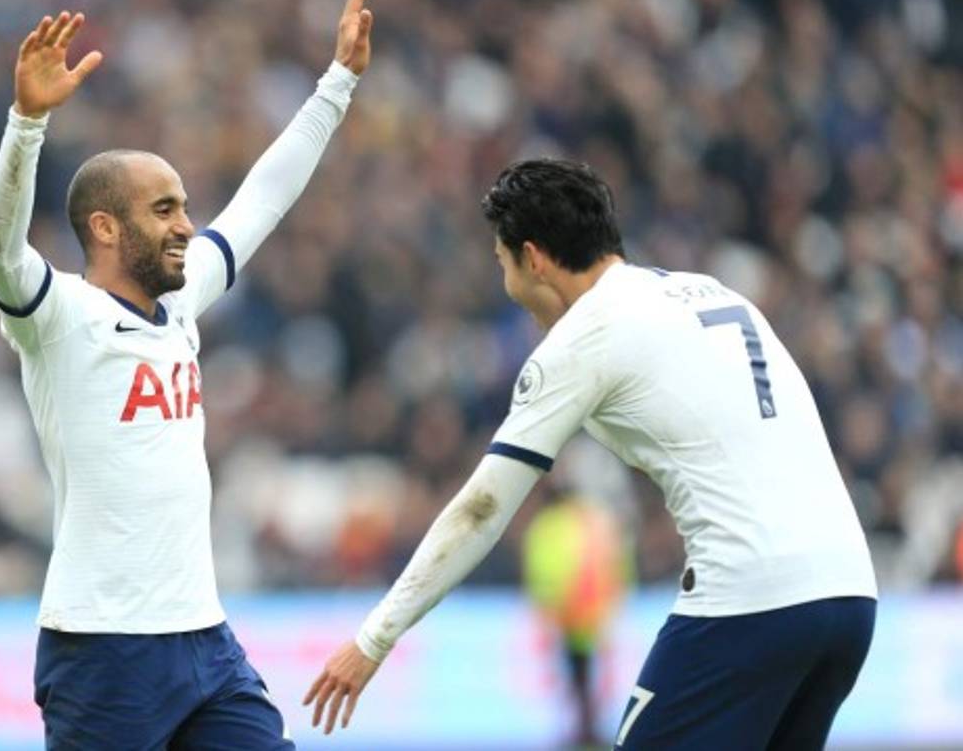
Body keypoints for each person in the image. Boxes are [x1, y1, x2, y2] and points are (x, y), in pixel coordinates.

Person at [305, 158, 877, 749]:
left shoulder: (586, 336)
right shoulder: (710, 292)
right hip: (849, 596)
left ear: (533, 258)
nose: (508, 288)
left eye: (502, 264)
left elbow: (481, 509)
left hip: (750, 600)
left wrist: (373, 639)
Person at [0, 0, 377, 749]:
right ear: (105, 227)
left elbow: (263, 200)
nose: (188, 226)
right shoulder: (57, 315)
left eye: (186, 206)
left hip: (204, 637)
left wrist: (337, 83)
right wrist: (26, 123)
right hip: (103, 648)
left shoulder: (182, 302)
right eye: (164, 210)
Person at [521, 483, 629, 747]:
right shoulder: (594, 520)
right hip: (592, 613)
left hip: (570, 615)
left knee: (578, 672)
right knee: (586, 672)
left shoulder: (549, 525)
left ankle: (586, 727)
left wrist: (546, 606)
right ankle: (588, 726)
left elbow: (544, 570)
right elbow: (616, 562)